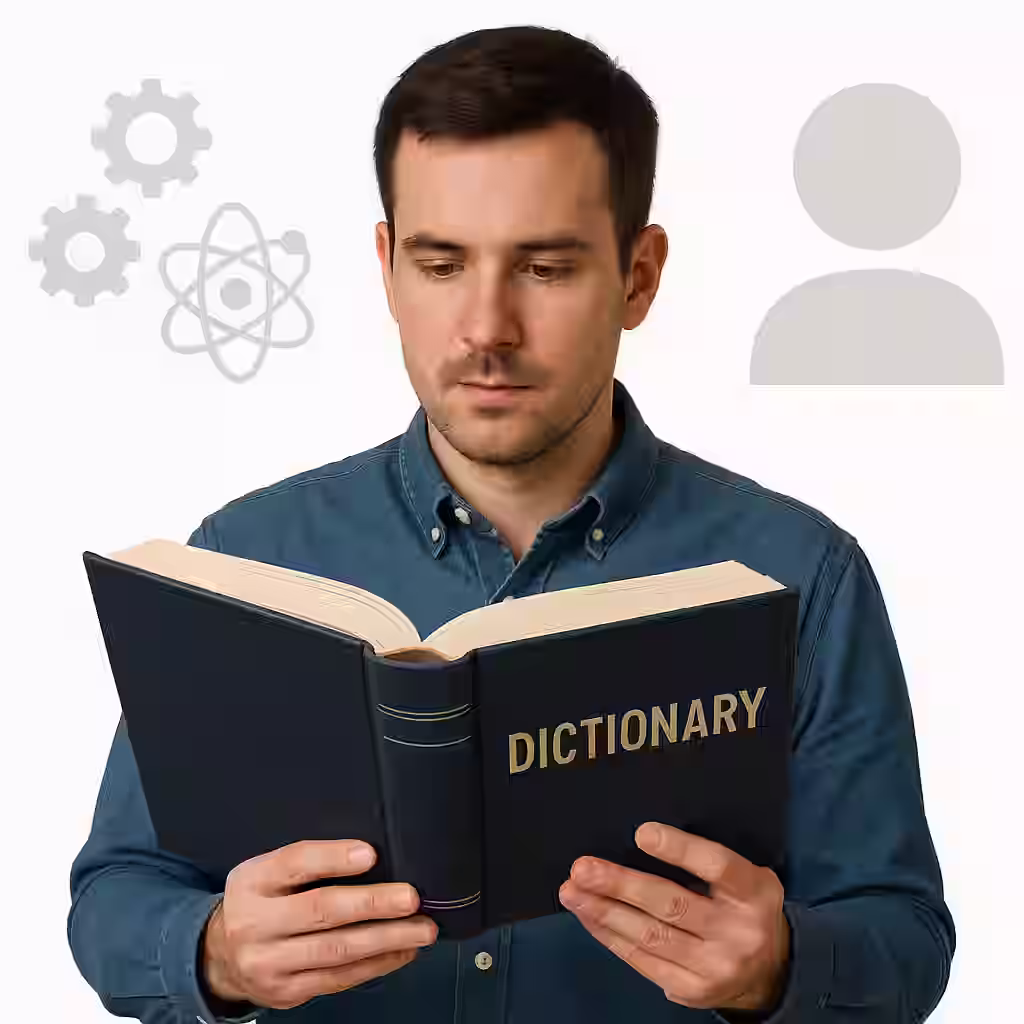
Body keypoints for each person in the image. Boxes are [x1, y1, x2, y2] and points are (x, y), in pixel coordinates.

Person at [68, 24, 955, 1024]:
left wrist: (779, 964)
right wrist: (217, 951)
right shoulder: (248, 557)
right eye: (442, 264)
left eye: (544, 268)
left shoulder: (802, 574)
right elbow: (115, 895)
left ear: (638, 276)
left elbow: (904, 939)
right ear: (387, 266)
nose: (486, 329)